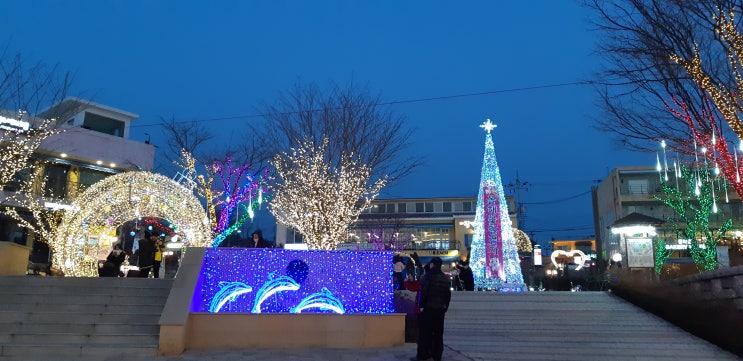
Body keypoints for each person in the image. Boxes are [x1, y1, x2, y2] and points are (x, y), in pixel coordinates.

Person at [412, 257, 451, 361]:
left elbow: (423, 293)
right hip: (440, 310)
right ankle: (437, 356)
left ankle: (423, 355)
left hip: (428, 309)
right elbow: (448, 295)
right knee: (438, 334)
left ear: (432, 264)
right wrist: (445, 307)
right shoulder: (445, 278)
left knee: (424, 333)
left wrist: (421, 306)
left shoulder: (427, 276)